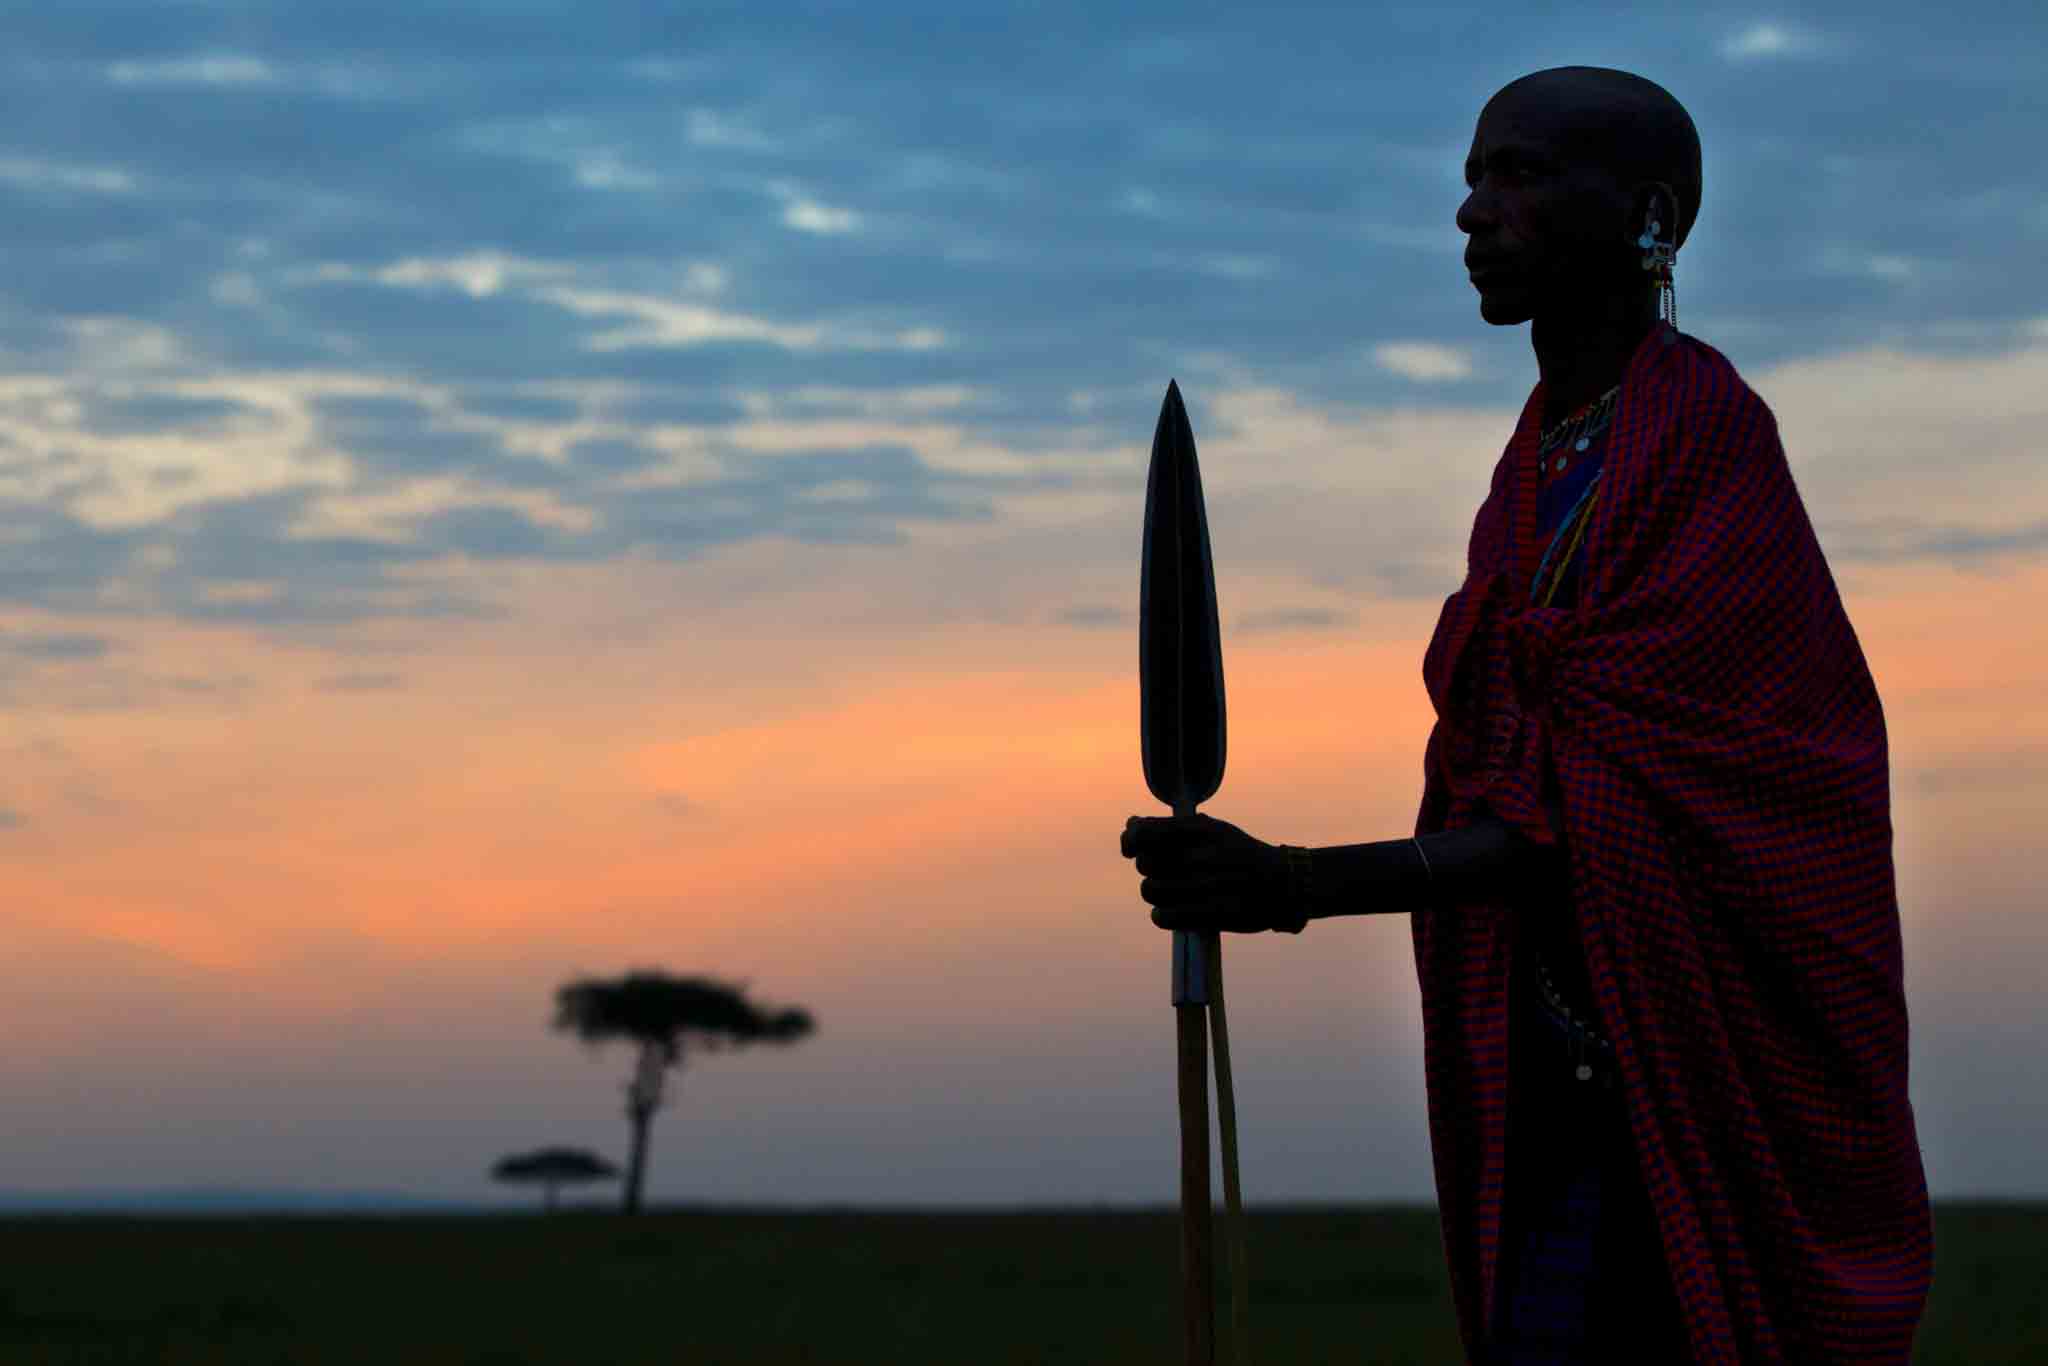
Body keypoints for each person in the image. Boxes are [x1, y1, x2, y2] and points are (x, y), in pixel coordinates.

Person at [1119, 66, 1932, 1363]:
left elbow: (1596, 804)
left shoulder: (1706, 441)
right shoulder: (1539, 459)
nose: (1472, 211)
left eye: (1524, 176)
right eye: (1473, 175)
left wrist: (1287, 881)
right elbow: (1529, 781)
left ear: (1650, 213)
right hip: (1557, 1071)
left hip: (1698, 1071)